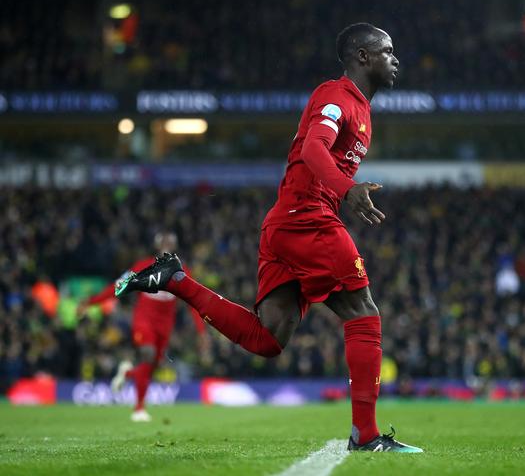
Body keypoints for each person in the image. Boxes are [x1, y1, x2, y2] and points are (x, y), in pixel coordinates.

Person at [116, 23, 422, 452]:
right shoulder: (337, 97)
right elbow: (314, 150)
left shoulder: (361, 109)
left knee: (267, 339)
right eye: (387, 50)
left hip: (284, 223)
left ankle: (175, 280)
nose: (395, 59)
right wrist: (346, 189)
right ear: (363, 57)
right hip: (307, 218)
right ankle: (366, 436)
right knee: (363, 312)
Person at [79, 232, 207, 422]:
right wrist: (91, 302)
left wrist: (201, 332)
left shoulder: (183, 272)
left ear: (175, 247)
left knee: (150, 368)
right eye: (163, 242)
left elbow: (193, 304)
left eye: (170, 242)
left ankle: (128, 373)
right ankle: (139, 409)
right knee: (147, 354)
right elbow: (118, 286)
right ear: (156, 245)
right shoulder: (142, 266)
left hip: (165, 326)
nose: (166, 245)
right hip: (144, 320)